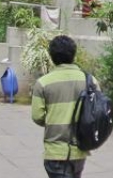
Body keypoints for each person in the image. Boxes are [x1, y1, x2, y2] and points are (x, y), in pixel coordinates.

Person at [31, 35, 91, 178]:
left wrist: (55, 118)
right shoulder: (90, 80)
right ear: (73, 54)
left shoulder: (43, 83)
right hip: (80, 151)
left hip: (55, 151)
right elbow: (97, 111)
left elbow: (37, 116)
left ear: (51, 56)